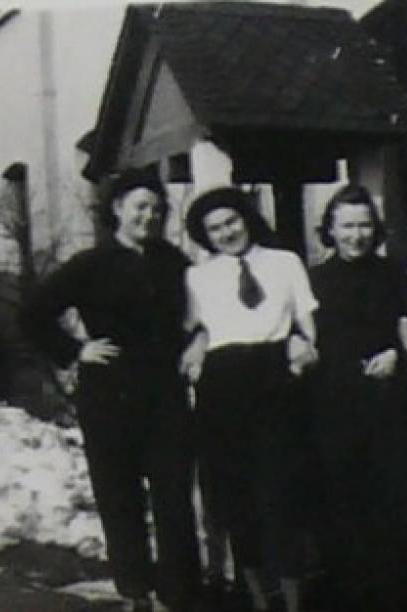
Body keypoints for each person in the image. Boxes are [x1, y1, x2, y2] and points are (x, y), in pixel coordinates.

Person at [19, 167, 202, 612]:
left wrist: (197, 342)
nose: (149, 216)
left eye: (156, 209)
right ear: (118, 208)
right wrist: (75, 350)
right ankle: (135, 592)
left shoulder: (173, 261)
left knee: (173, 498)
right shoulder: (90, 264)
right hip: (109, 396)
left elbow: (201, 314)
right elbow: (33, 313)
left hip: (164, 395)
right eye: (140, 207)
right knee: (120, 498)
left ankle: (179, 595)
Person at [181, 187, 318, 612]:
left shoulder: (285, 262)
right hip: (223, 387)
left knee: (282, 496)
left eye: (232, 222)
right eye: (215, 229)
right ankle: (260, 600)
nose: (226, 233)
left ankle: (294, 603)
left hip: (275, 378)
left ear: (247, 219)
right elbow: (196, 329)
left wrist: (303, 345)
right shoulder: (197, 277)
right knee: (236, 499)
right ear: (205, 236)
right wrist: (197, 346)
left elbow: (307, 320)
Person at [308, 185, 407, 611]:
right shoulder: (314, 280)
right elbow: (304, 336)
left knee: (394, 498)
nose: (357, 235)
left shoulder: (395, 274)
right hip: (334, 406)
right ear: (331, 230)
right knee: (342, 501)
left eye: (364, 226)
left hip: (389, 403)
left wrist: (397, 353)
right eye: (347, 227)